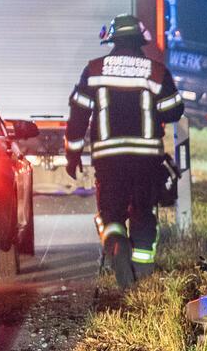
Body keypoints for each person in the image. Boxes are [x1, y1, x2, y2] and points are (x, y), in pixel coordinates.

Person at [62, 15, 183, 287]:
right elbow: (174, 110)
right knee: (143, 211)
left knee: (111, 213)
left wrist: (72, 154)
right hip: (146, 159)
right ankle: (142, 271)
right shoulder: (155, 71)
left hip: (109, 159)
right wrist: (153, 107)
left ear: (112, 40)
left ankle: (116, 243)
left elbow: (79, 114)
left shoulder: (94, 69)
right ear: (141, 41)